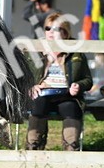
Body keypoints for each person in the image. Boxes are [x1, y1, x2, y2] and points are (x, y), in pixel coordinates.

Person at [25, 13, 93, 151]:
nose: (50, 32)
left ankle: (71, 148)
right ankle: (33, 147)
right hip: (43, 93)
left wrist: (79, 86)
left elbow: (88, 80)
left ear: (65, 32)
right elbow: (23, 77)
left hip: (67, 94)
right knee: (38, 105)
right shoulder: (36, 49)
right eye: (48, 28)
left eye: (56, 29)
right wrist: (31, 86)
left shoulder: (76, 52)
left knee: (71, 108)